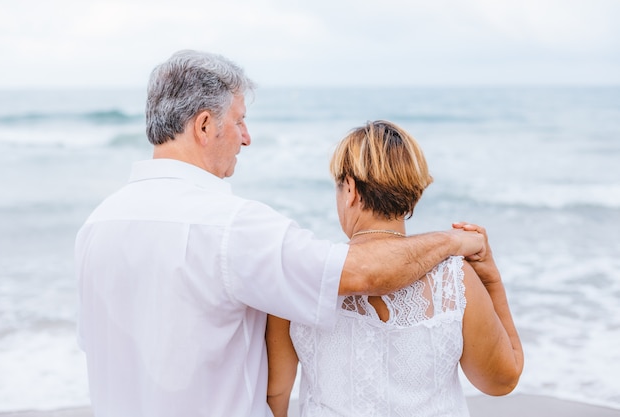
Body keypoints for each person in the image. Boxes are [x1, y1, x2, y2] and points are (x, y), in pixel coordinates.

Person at [75, 50, 485, 417]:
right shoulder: (232, 227)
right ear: (203, 126)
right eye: (239, 121)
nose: (247, 138)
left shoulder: (96, 226)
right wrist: (453, 242)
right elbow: (364, 272)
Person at [266, 120, 524, 417]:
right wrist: (491, 280)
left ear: (349, 189)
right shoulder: (455, 280)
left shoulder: (302, 275)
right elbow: (501, 380)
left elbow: (276, 392)